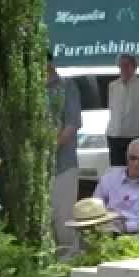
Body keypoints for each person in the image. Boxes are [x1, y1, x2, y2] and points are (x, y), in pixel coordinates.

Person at [91, 138, 139, 234]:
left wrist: (129, 226)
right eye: (133, 158)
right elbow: (94, 206)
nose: (136, 163)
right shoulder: (109, 178)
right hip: (109, 231)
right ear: (127, 157)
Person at [48, 52, 82, 256]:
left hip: (63, 165)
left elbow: (72, 124)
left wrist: (49, 148)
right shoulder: (30, 90)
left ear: (51, 63)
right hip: (38, 170)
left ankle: (69, 271)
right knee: (45, 223)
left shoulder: (67, 87)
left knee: (64, 223)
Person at [105, 54, 139, 167]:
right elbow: (112, 108)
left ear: (134, 67)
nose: (124, 68)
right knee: (116, 170)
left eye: (127, 65)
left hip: (134, 135)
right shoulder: (112, 85)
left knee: (134, 169)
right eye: (121, 65)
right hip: (114, 134)